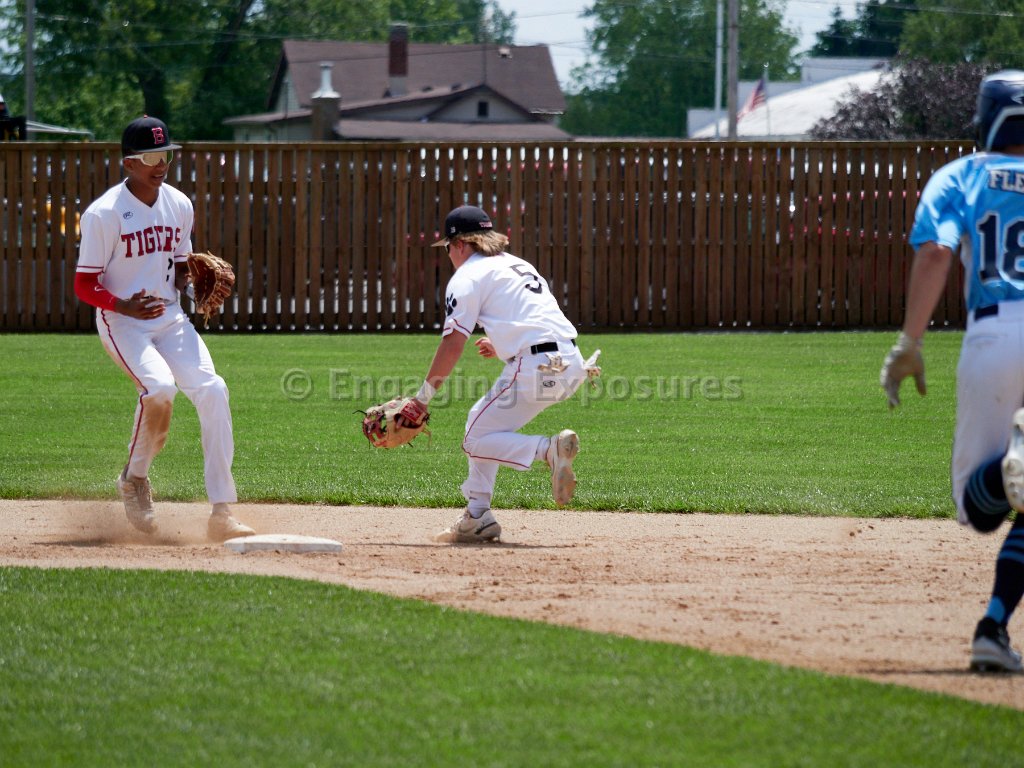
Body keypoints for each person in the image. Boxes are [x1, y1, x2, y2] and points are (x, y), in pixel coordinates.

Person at [881, 70, 1024, 673]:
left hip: (995, 335)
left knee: (979, 508)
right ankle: (993, 626)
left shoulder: (962, 174)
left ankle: (993, 629)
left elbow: (937, 252)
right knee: (1014, 497)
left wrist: (909, 342)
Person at [74, 115, 254, 542]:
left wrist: (193, 288)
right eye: (152, 157)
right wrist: (122, 305)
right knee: (159, 389)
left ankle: (222, 511)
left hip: (170, 318)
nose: (162, 164)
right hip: (123, 321)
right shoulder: (104, 214)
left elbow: (179, 269)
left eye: (166, 155)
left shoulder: (179, 204)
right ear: (129, 163)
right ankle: (134, 478)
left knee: (213, 390)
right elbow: (84, 284)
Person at [409, 205, 587, 543]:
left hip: (537, 366)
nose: (449, 255)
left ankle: (547, 450)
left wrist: (421, 400)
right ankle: (477, 517)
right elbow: (534, 317)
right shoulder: (517, 264)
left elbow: (452, 344)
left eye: (447, 247)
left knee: (474, 439)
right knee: (482, 426)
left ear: (459, 244)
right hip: (571, 363)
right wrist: (504, 344)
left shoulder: (467, 277)